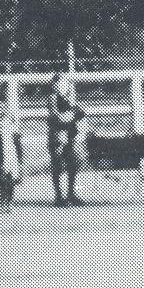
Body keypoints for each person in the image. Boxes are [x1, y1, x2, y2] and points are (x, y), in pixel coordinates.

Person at [46, 78, 86, 206]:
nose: (63, 86)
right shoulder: (53, 98)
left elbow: (81, 113)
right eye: (60, 84)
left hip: (68, 136)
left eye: (65, 84)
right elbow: (58, 117)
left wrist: (70, 115)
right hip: (57, 137)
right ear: (55, 85)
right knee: (57, 166)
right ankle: (58, 197)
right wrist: (71, 115)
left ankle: (70, 194)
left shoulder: (68, 99)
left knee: (72, 165)